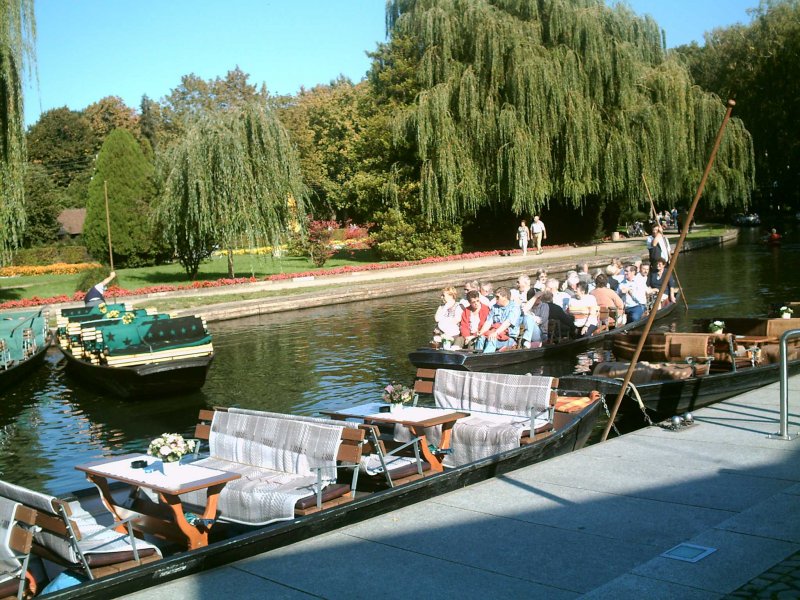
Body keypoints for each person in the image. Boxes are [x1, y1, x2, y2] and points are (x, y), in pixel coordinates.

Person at [476, 287, 520, 353]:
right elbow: (488, 322)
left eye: (497, 297)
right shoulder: (494, 307)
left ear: (505, 297)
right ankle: (476, 356)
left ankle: (486, 358)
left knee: (492, 338)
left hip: (509, 337)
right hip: (496, 334)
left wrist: (495, 333)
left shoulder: (514, 307)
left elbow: (507, 323)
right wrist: (481, 333)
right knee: (481, 338)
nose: (495, 299)